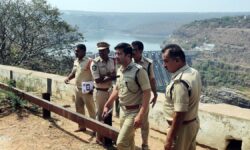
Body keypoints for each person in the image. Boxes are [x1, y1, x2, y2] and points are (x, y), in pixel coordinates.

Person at [102, 42, 151, 150]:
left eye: (119, 54)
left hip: (134, 112)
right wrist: (107, 104)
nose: (116, 56)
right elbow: (117, 89)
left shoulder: (139, 71)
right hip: (123, 111)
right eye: (116, 53)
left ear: (128, 56)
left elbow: (147, 93)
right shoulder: (120, 70)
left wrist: (140, 115)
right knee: (129, 142)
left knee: (121, 143)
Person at [161, 44, 201, 150]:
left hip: (181, 130)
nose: (163, 65)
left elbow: (179, 113)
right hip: (192, 123)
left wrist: (170, 138)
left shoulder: (180, 82)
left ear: (177, 60)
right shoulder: (193, 72)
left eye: (166, 61)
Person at [131, 40, 158, 150]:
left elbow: (152, 79)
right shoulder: (128, 62)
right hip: (131, 97)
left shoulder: (148, 63)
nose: (132, 52)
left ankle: (145, 144)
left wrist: (155, 94)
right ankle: (130, 143)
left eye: (135, 50)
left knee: (144, 122)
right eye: (131, 49)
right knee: (130, 121)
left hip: (143, 98)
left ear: (141, 51)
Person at [90, 42, 117, 146]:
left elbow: (115, 75)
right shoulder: (95, 63)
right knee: (100, 114)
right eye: (99, 51)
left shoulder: (112, 61)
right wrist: (109, 76)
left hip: (110, 91)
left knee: (109, 114)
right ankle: (99, 137)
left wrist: (105, 77)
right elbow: (97, 80)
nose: (101, 52)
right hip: (100, 92)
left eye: (103, 51)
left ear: (108, 51)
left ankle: (108, 137)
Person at [64, 44, 96, 132]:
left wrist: (93, 88)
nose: (75, 52)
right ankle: (81, 126)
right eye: (75, 51)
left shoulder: (90, 62)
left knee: (91, 110)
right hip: (77, 89)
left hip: (87, 90)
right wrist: (68, 78)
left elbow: (95, 76)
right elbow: (74, 73)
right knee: (79, 108)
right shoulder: (76, 61)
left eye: (77, 51)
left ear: (83, 51)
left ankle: (95, 129)